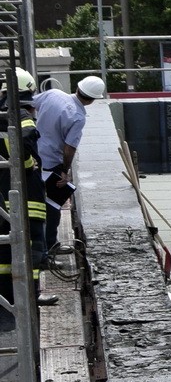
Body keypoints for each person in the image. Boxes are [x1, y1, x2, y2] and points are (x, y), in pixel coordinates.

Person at [0, 68, 56, 330]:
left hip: (5, 197)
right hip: (26, 197)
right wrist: (27, 162)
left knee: (5, 253)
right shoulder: (22, 117)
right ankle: (32, 296)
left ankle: (7, 299)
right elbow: (22, 144)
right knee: (34, 248)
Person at [31, 75, 106, 258]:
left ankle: (38, 246)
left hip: (32, 157)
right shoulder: (78, 117)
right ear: (93, 99)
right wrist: (65, 171)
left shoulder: (53, 93)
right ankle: (49, 247)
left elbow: (31, 105)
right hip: (51, 164)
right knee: (53, 205)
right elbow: (69, 147)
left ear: (78, 88)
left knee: (33, 203)